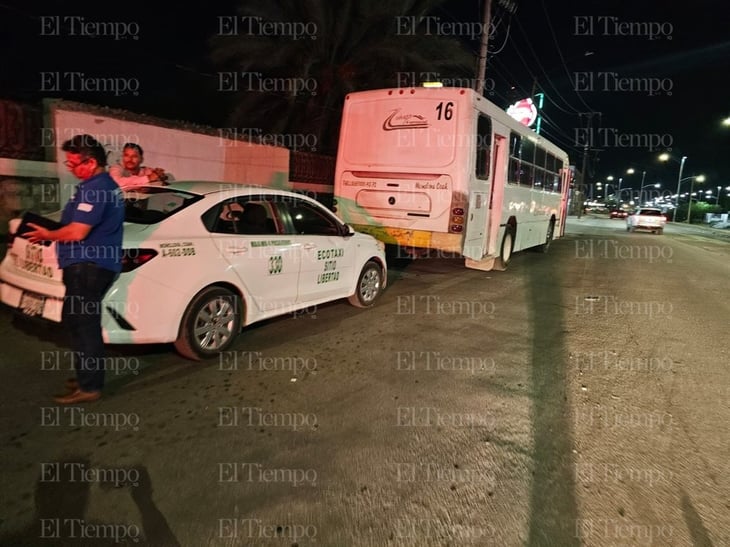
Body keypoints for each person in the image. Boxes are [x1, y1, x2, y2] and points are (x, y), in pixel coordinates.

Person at [25, 134, 124, 404]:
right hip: (88, 266)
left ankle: (89, 386)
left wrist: (49, 233)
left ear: (90, 162)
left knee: (83, 326)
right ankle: (86, 375)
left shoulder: (96, 188)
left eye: (73, 164)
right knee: (78, 323)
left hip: (88, 267)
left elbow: (78, 232)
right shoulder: (101, 186)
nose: (70, 168)